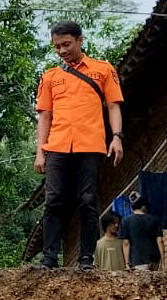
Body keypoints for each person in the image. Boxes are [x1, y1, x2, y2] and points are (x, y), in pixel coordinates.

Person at [34, 20, 124, 269]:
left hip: (90, 145)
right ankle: (49, 258)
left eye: (66, 44)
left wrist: (117, 137)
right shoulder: (50, 77)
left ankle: (86, 259)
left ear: (80, 41)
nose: (62, 51)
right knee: (54, 201)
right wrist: (40, 152)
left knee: (87, 201)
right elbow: (44, 116)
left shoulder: (103, 70)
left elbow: (114, 106)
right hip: (58, 146)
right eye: (57, 47)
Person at [120, 192, 165, 271]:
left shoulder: (125, 221)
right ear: (143, 206)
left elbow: (126, 243)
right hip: (154, 259)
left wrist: (127, 263)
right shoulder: (155, 220)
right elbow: (160, 241)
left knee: (144, 283)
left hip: (137, 260)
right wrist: (163, 261)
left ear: (131, 208)